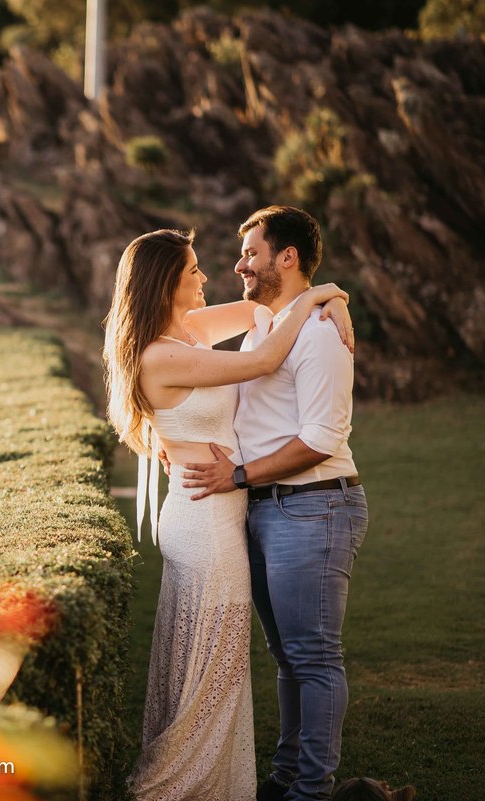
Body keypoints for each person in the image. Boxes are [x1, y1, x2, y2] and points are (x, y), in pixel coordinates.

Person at [102, 227, 353, 801]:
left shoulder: (185, 331)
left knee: (209, 654)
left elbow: (256, 309)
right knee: (214, 660)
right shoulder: (162, 354)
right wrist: (323, 295)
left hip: (208, 509)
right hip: (206, 518)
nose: (205, 277)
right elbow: (265, 356)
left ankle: (209, 776)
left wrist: (327, 296)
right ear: (166, 281)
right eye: (193, 270)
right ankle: (179, 783)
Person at [180, 206, 368, 801]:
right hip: (264, 508)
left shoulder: (320, 335)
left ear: (286, 258)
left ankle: (311, 789)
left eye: (251, 253)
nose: (239, 264)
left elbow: (319, 440)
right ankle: (285, 779)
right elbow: (176, 319)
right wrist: (329, 291)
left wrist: (236, 475)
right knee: (286, 657)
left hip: (315, 507)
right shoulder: (265, 325)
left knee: (313, 656)